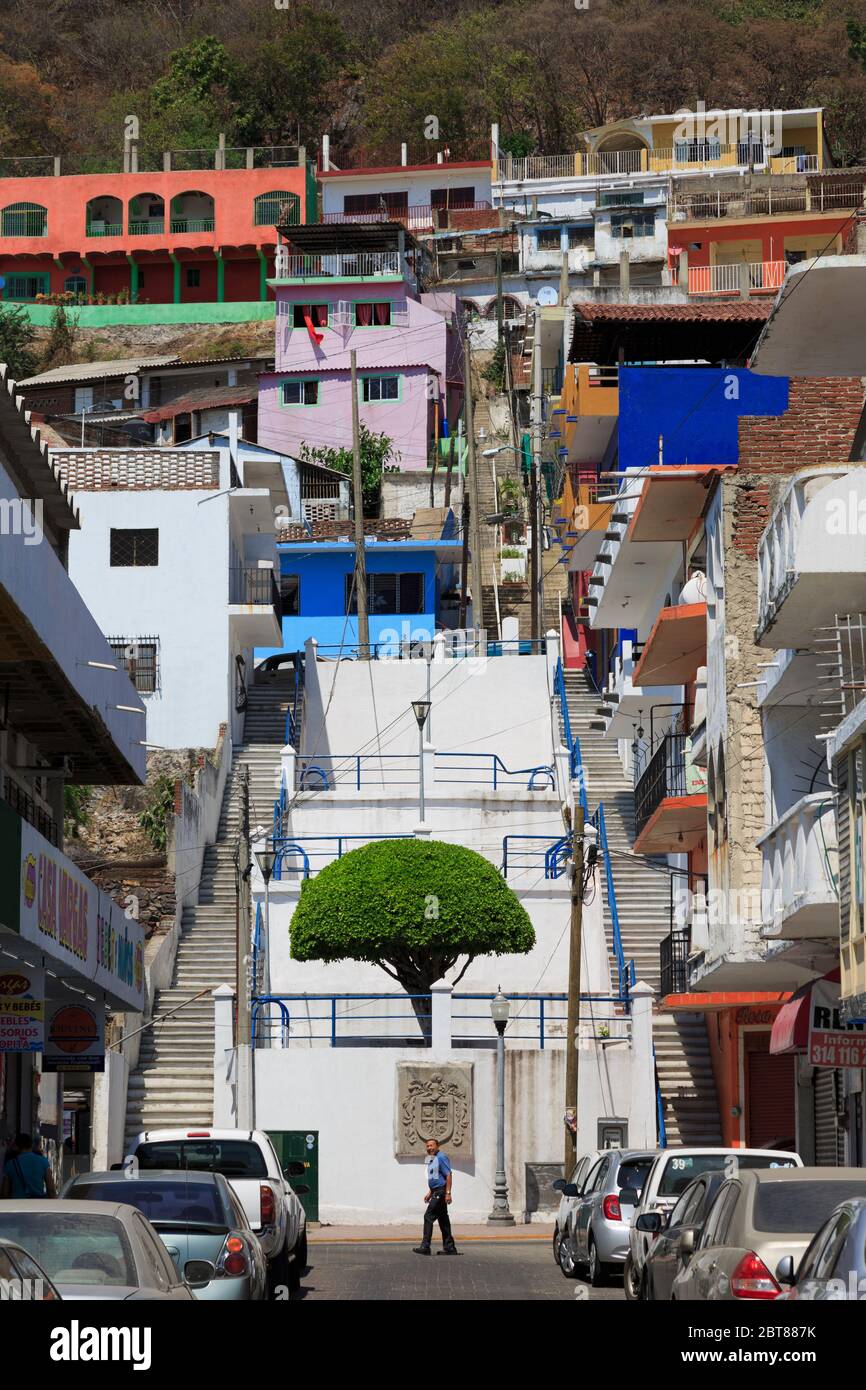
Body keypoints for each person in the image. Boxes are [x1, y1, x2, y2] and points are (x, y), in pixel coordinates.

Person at [413, 1138, 458, 1256]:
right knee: (443, 1220)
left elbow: (448, 1175)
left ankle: (425, 1246)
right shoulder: (432, 1159)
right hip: (436, 1192)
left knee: (428, 1216)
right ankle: (449, 1247)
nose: (429, 1148)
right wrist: (429, 1192)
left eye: (431, 1146)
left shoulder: (441, 1157)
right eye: (427, 1146)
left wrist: (448, 1193)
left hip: (441, 1192)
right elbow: (435, 1177)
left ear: (437, 1146)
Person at [1, 1133, 56, 1200]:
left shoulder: (10, 1164)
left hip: (17, 1206)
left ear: (16, 1146)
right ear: (31, 1145)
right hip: (38, 1205)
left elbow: (5, 1193)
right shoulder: (43, 1161)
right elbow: (51, 1190)